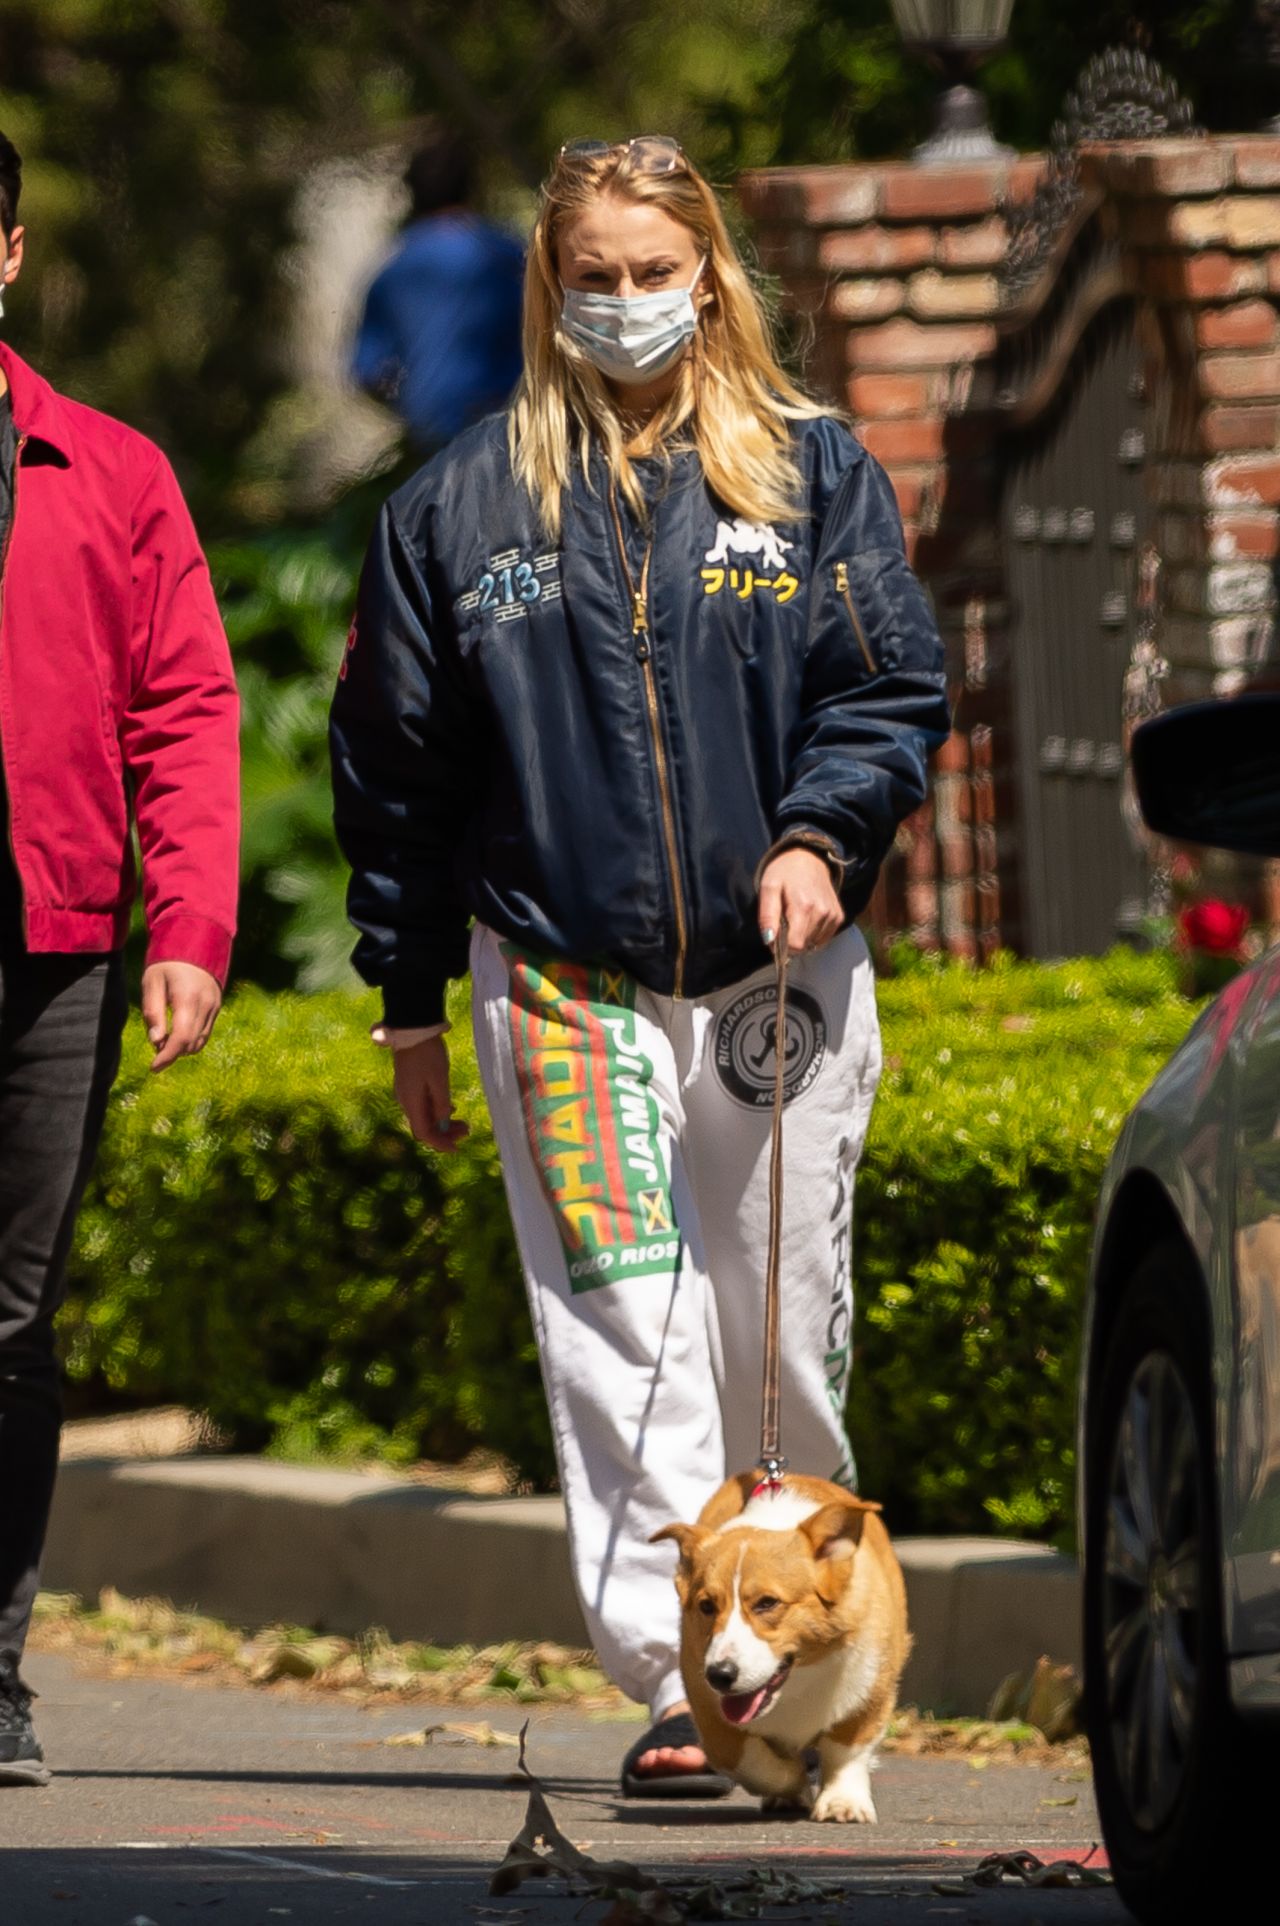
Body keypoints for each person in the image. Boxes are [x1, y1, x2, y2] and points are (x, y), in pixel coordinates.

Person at [330, 135, 948, 1796]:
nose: (623, 302)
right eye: (590, 275)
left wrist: (822, 834)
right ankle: (684, 1686)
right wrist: (403, 1002)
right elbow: (394, 771)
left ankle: (814, 1666)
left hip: (779, 977)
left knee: (781, 1338)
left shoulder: (810, 473)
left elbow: (885, 687)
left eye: (651, 272)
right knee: (628, 1339)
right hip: (559, 978)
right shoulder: (458, 508)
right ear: (550, 284)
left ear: (707, 278)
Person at [0, 132, 240, 1787]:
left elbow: (185, 709)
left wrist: (191, 928)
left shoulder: (109, 471)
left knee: (10, 1325)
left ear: (9, 254)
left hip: (52, 955)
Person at [351, 125, 524, 453]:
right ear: (472, 188)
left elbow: (367, 373)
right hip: (509, 432)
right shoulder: (506, 254)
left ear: (412, 195)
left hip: (432, 443)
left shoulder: (391, 270)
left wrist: (415, 408)